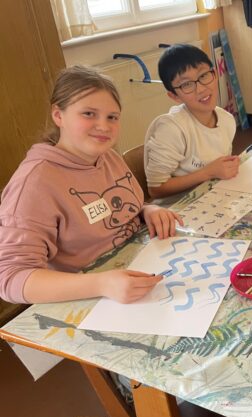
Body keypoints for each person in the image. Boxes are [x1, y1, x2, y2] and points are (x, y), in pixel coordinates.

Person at [0, 66, 181, 305]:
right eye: (88, 114)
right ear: (58, 115)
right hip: (89, 298)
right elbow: (10, 279)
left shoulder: (108, 156)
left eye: (112, 117)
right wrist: (101, 284)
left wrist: (147, 210)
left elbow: (116, 207)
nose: (104, 126)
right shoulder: (33, 185)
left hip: (138, 269)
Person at [144, 44, 239, 199]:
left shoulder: (226, 120)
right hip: (178, 207)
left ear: (215, 74)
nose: (201, 89)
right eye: (186, 84)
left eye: (203, 76)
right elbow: (155, 189)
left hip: (215, 197)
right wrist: (208, 172)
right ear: (174, 96)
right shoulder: (172, 129)